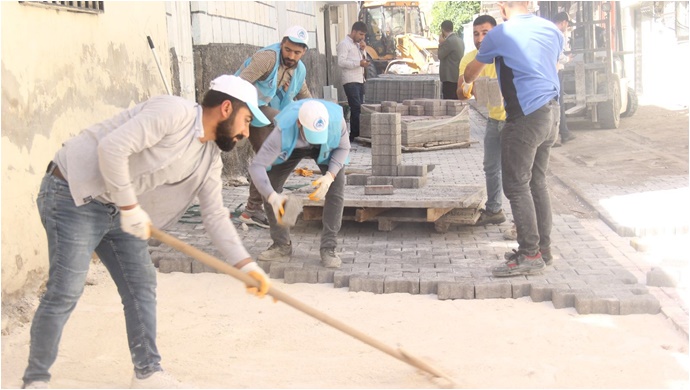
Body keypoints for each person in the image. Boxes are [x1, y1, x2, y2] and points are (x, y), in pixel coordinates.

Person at [21, 75, 272, 389]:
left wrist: (245, 265)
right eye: (246, 121)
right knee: (66, 289)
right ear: (226, 108)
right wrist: (129, 207)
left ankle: (147, 373)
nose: (245, 133)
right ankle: (36, 380)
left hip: (118, 206)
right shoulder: (173, 112)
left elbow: (215, 216)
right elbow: (111, 149)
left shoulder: (209, 158)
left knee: (140, 285)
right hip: (72, 191)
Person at [463, 1, 562, 277]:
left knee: (517, 186)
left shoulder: (501, 34)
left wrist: (465, 80)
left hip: (526, 116)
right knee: (537, 182)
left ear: (503, 7)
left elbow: (472, 72)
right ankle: (544, 250)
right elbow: (548, 66)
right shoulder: (551, 30)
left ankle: (529, 253)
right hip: (552, 112)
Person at [248, 99, 350, 268]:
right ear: (299, 124)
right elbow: (257, 167)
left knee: (336, 190)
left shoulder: (336, 121)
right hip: (293, 146)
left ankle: (329, 248)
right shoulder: (282, 131)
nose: (313, 140)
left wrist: (330, 176)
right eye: (311, 135)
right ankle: (281, 245)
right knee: (270, 184)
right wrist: (272, 196)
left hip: (327, 145)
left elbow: (343, 148)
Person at [236, 25, 312, 229]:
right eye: (288, 50)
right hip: (244, 107)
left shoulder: (299, 70)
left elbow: (304, 95)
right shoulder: (268, 58)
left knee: (270, 157)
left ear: (303, 52)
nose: (291, 55)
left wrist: (316, 115)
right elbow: (239, 84)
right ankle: (254, 209)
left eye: (297, 52)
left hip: (262, 113)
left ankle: (252, 210)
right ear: (282, 44)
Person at [457, 15, 507, 227]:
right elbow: (460, 93)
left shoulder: (507, 53)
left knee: (518, 173)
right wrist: (468, 87)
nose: (480, 38)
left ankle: (522, 225)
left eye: (485, 33)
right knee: (490, 166)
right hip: (494, 119)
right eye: (476, 34)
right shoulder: (469, 60)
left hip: (516, 119)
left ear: (495, 33)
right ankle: (495, 209)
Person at [337, 21, 370, 142]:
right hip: (350, 81)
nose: (362, 37)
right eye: (360, 34)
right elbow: (341, 62)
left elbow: (362, 59)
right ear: (353, 31)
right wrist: (358, 63)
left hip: (360, 79)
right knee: (355, 107)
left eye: (364, 35)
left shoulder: (358, 45)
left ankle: (357, 133)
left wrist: (363, 50)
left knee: (360, 108)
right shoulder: (344, 44)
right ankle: (354, 135)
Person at [552, 11, 577, 146]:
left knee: (556, 102)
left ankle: (564, 132)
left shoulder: (548, 32)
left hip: (550, 71)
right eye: (567, 25)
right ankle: (557, 135)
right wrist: (568, 59)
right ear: (563, 22)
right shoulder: (558, 34)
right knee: (557, 103)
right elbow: (558, 56)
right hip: (556, 71)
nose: (567, 27)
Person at [438, 20, 464, 100]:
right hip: (457, 76)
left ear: (443, 30)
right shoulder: (460, 40)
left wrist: (441, 43)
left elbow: (440, 55)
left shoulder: (448, 41)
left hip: (449, 77)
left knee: (448, 101)